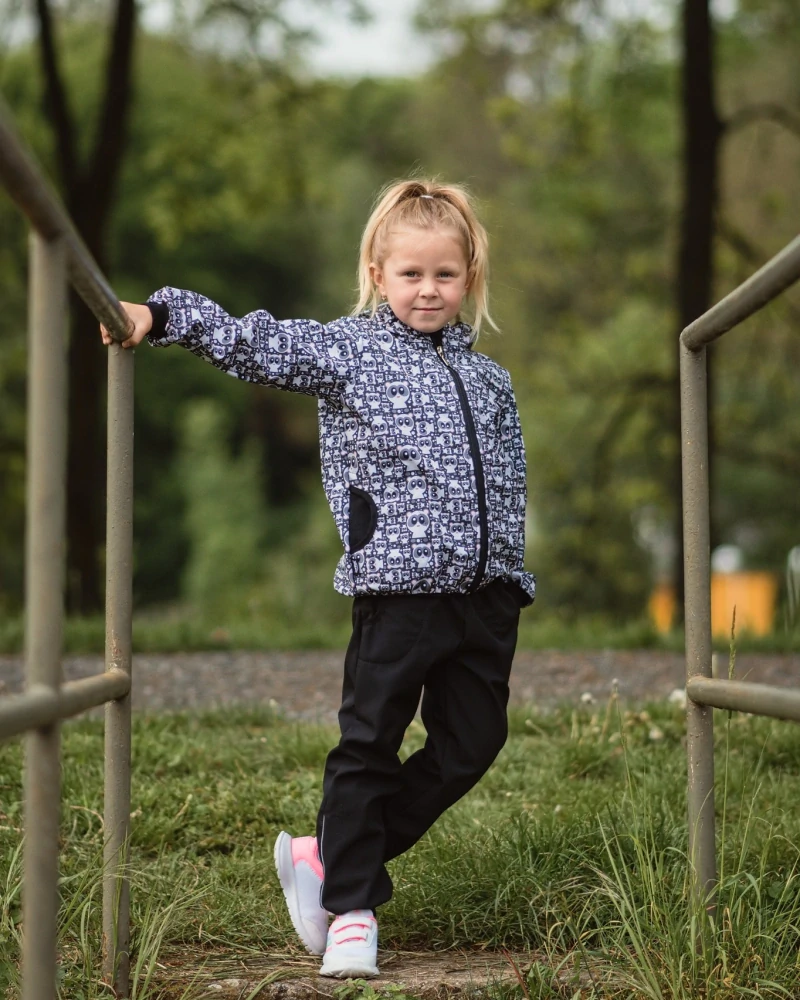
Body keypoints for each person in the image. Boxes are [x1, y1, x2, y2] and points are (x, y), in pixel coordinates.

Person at [101, 178, 535, 979]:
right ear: (376, 272)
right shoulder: (348, 351)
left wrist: (509, 575)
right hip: (398, 591)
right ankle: (353, 911)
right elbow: (253, 340)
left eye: (445, 274)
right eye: (410, 274)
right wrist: (160, 317)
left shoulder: (491, 381)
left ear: (470, 276)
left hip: (485, 597)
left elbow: (507, 483)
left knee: (474, 743)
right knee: (368, 743)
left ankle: (327, 856)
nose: (428, 290)